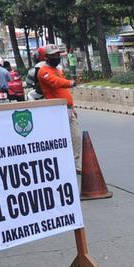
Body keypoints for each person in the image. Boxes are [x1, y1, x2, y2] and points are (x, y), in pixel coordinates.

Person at [37, 44, 82, 173]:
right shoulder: (43, 71)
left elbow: (64, 90)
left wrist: (72, 106)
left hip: (67, 108)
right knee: (61, 139)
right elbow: (56, 82)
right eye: (53, 55)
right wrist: (71, 82)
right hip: (57, 110)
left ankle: (75, 165)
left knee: (76, 137)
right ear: (46, 57)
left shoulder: (57, 70)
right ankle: (62, 164)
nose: (56, 57)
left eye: (57, 54)